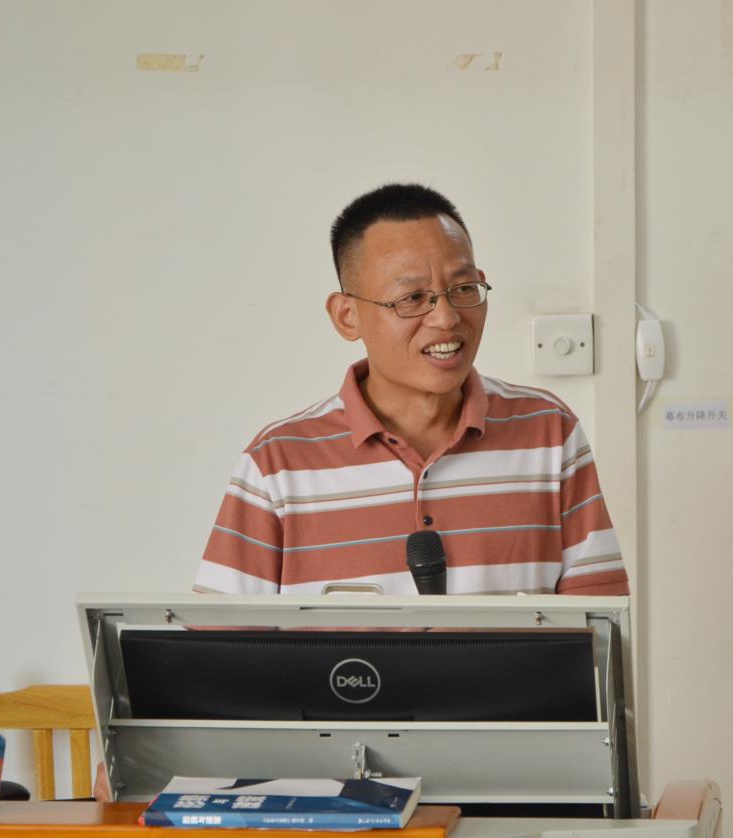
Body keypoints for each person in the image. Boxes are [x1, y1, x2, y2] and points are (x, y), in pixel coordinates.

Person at [194, 184, 628, 596]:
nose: (447, 318)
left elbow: (601, 628)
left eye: (463, 288)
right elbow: (218, 641)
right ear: (347, 316)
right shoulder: (276, 464)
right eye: (413, 298)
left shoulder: (549, 433)